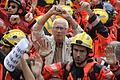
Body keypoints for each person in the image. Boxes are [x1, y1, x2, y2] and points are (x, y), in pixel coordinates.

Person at [42, 32, 115, 80]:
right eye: (76, 50)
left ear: (88, 53)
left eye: (82, 51)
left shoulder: (98, 70)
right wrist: (42, 59)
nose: (78, 55)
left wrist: (115, 67)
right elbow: (43, 73)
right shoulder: (64, 67)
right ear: (71, 50)